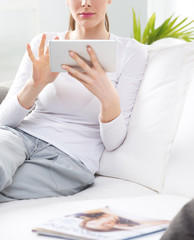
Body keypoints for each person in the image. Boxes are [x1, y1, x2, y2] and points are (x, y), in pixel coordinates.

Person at [0, 0, 148, 202]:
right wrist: (35, 85)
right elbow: (4, 121)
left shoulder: (131, 52)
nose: (86, 3)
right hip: (19, 136)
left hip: (70, 159)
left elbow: (113, 142)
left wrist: (108, 98)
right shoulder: (44, 43)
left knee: (5, 193)